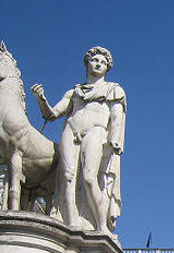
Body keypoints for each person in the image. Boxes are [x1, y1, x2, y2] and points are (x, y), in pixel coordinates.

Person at [31, 46, 126, 233]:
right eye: (94, 60)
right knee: (67, 177)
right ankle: (72, 223)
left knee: (90, 178)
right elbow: (51, 115)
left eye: (102, 62)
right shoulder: (74, 92)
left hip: (96, 133)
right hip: (71, 130)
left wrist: (115, 138)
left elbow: (116, 118)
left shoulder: (113, 90)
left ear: (107, 67)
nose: (98, 64)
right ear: (87, 63)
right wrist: (41, 99)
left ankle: (101, 226)